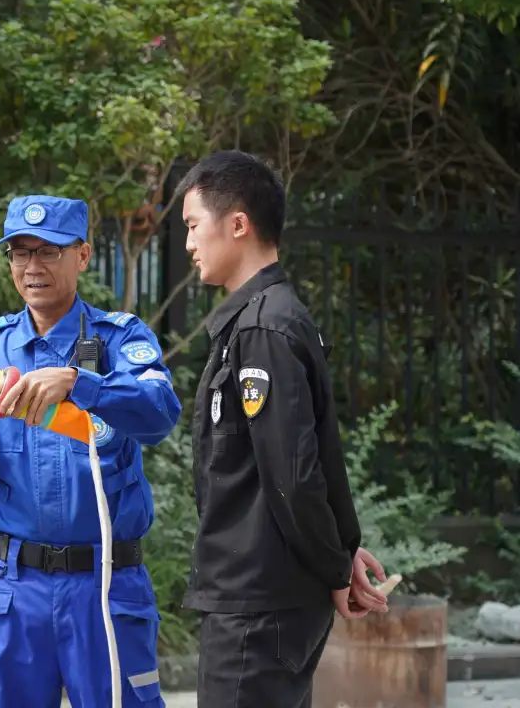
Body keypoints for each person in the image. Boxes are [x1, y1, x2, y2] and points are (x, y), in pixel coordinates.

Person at [0, 195, 182, 707]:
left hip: (105, 584)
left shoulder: (120, 339)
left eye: (49, 251)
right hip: (14, 587)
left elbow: (160, 414)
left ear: (83, 256)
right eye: (20, 253)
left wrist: (81, 384)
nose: (32, 267)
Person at [178, 150, 388, 707]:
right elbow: (305, 457)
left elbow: (291, 474)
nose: (189, 243)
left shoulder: (263, 328)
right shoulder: (269, 318)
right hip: (262, 600)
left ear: (238, 224)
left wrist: (335, 564)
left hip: (257, 606)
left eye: (193, 225)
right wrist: (339, 551)